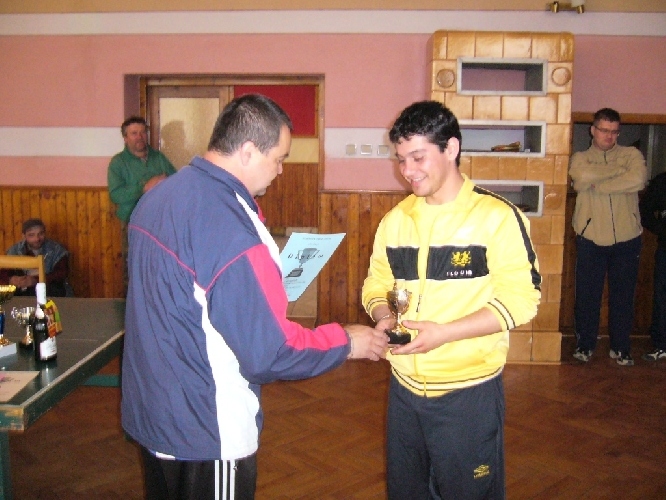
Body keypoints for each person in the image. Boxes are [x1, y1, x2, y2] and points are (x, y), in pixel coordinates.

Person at [121, 94, 388, 500]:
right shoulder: (231, 228)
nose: (280, 170)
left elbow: (187, 297)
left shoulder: (158, 196)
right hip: (206, 426)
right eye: (278, 158)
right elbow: (270, 352)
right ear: (247, 151)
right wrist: (347, 341)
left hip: (155, 411)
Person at [361, 101, 541, 499]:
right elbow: (376, 283)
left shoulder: (497, 216)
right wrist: (384, 315)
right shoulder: (396, 221)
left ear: (451, 148)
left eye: (418, 157)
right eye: (401, 159)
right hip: (404, 391)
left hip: (468, 393)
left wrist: (445, 333)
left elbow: (522, 298)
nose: (407, 170)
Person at [569, 108, 647, 366]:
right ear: (593, 130)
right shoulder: (581, 158)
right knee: (587, 297)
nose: (609, 136)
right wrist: (617, 172)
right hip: (591, 238)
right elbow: (581, 177)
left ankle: (621, 348)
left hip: (627, 238)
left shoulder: (631, 155)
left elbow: (638, 179)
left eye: (614, 131)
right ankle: (585, 346)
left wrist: (597, 184)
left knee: (623, 297)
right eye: (604, 130)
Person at [107, 116, 177, 286]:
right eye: (134, 133)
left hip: (160, 223)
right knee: (134, 268)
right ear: (125, 138)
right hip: (132, 224)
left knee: (160, 267)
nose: (139, 137)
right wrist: (144, 187)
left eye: (143, 132)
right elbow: (116, 195)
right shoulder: (118, 163)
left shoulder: (159, 158)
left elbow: (176, 183)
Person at [0, 218, 70, 297]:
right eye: (31, 235)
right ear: (24, 236)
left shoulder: (56, 250)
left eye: (41, 234)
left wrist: (35, 280)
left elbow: (61, 274)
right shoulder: (14, 251)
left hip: (49, 293)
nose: (37, 239)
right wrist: (11, 279)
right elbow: (3, 273)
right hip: (21, 294)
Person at [639, 171, 666, 360]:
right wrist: (662, 230)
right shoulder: (662, 181)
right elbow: (645, 211)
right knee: (662, 299)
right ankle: (661, 344)